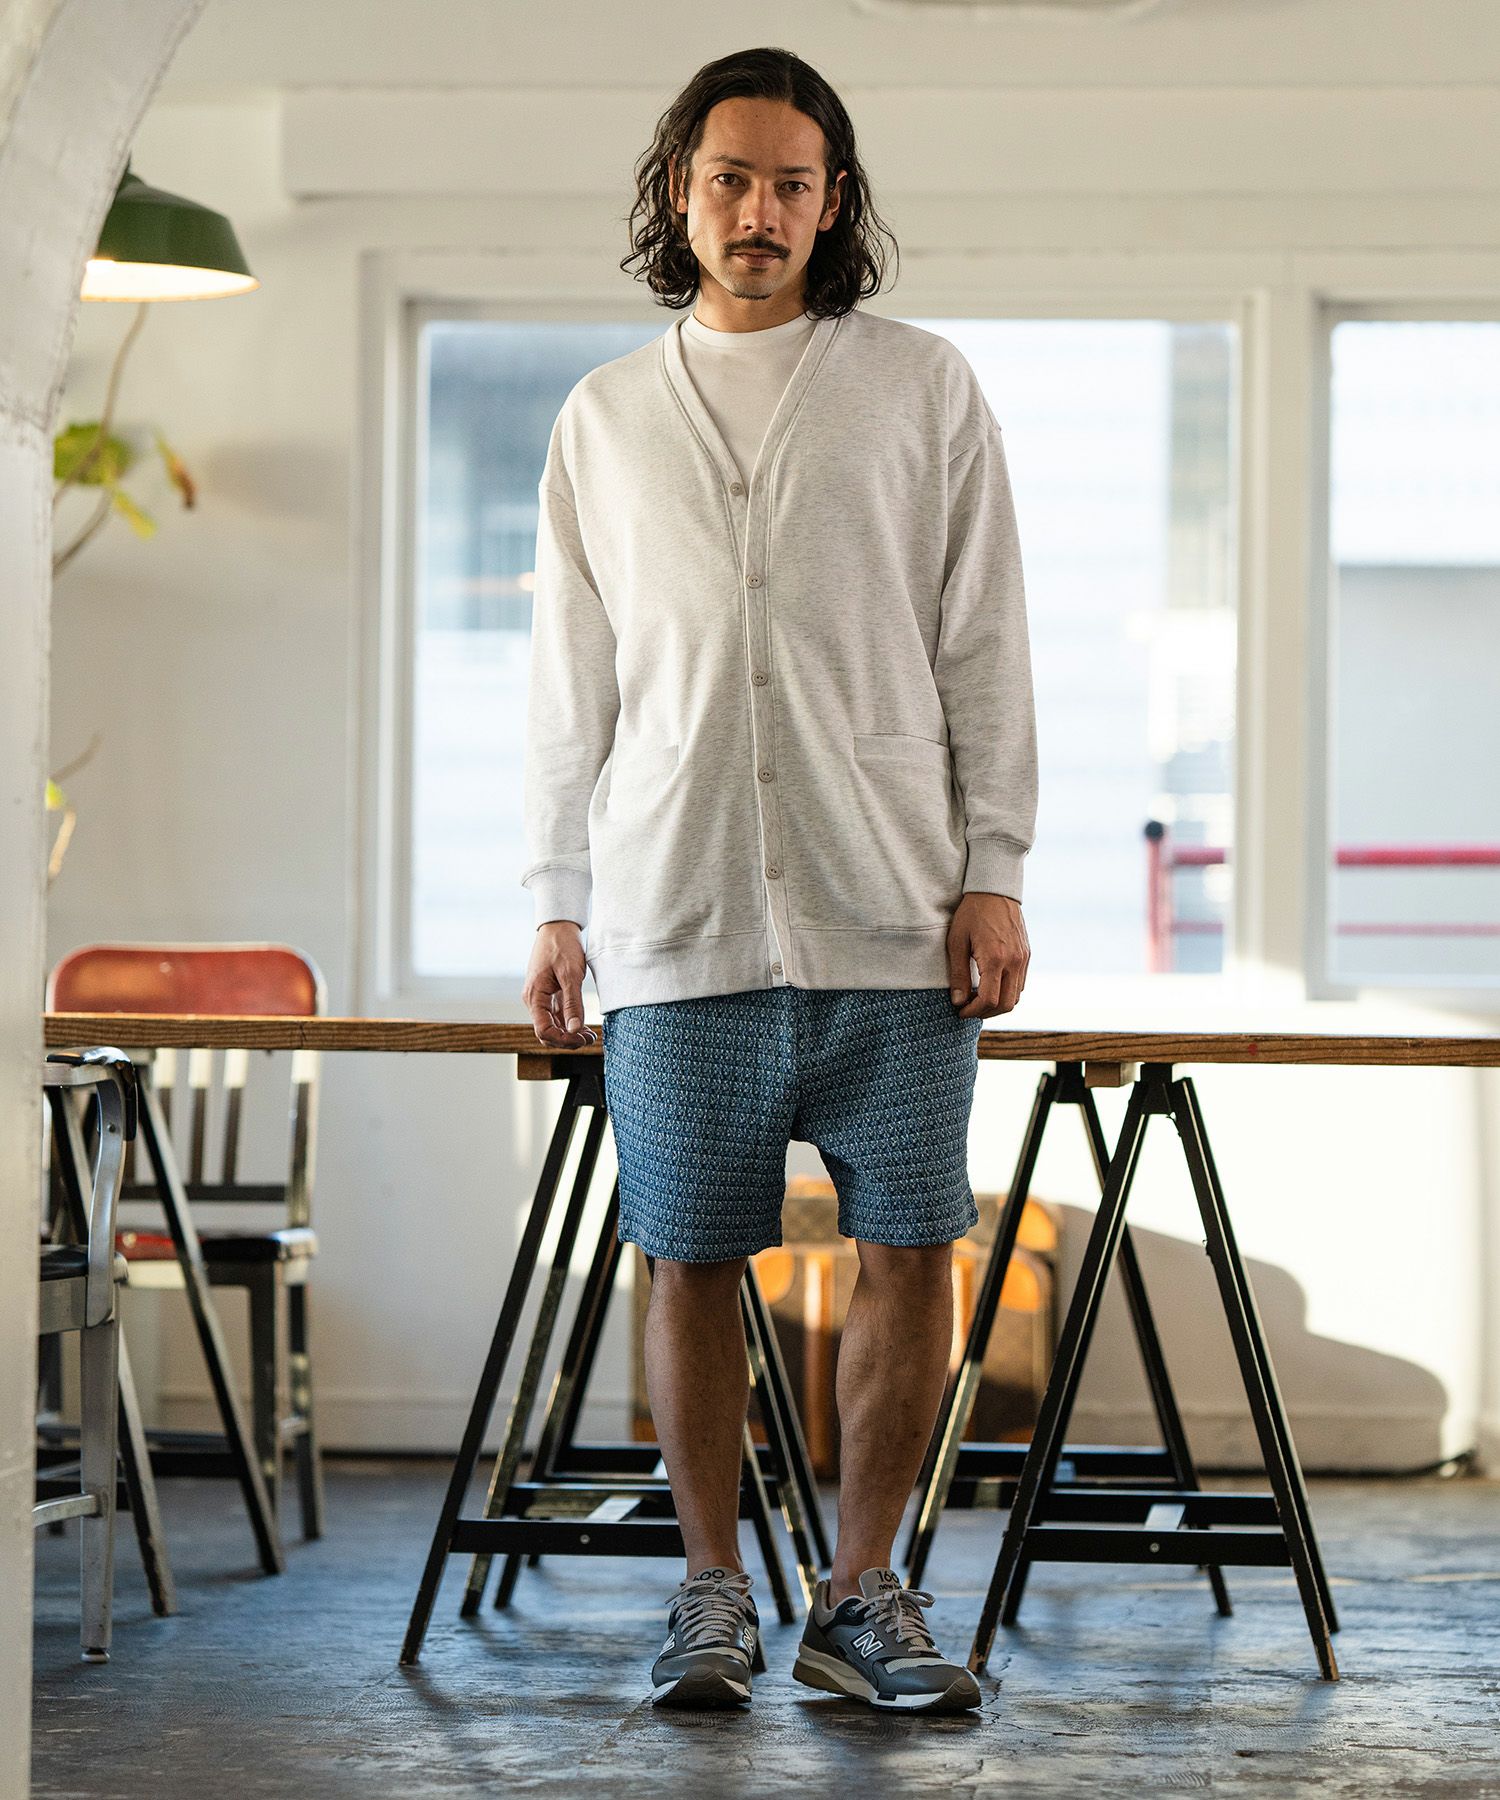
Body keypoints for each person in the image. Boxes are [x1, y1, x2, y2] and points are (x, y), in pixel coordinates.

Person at [520, 45, 1036, 1715]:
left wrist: (995, 866)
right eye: (730, 178)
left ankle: (863, 1592)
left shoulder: (920, 386)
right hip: (674, 920)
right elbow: (569, 686)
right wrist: (556, 897)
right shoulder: (605, 417)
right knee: (687, 1257)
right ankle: (711, 1592)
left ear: (835, 201)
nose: (759, 210)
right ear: (680, 191)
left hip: (896, 915)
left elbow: (984, 642)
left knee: (910, 1247)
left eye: (793, 184)